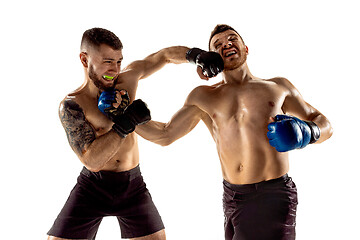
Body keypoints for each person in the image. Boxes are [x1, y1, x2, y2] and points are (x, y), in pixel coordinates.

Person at [136, 24, 333, 240]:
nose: (226, 45)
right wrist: (126, 120)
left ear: (246, 48)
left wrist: (307, 132)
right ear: (212, 57)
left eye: (232, 39)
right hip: (231, 196)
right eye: (218, 45)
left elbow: (325, 125)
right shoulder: (204, 96)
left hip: (271, 195)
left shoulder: (278, 87)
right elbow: (165, 134)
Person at [47, 27, 222, 240]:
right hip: (92, 187)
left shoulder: (126, 80)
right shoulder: (72, 105)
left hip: (132, 185)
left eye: (119, 61)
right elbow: (92, 160)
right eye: (107, 61)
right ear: (85, 60)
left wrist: (196, 55)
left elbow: (163, 57)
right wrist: (126, 121)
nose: (115, 69)